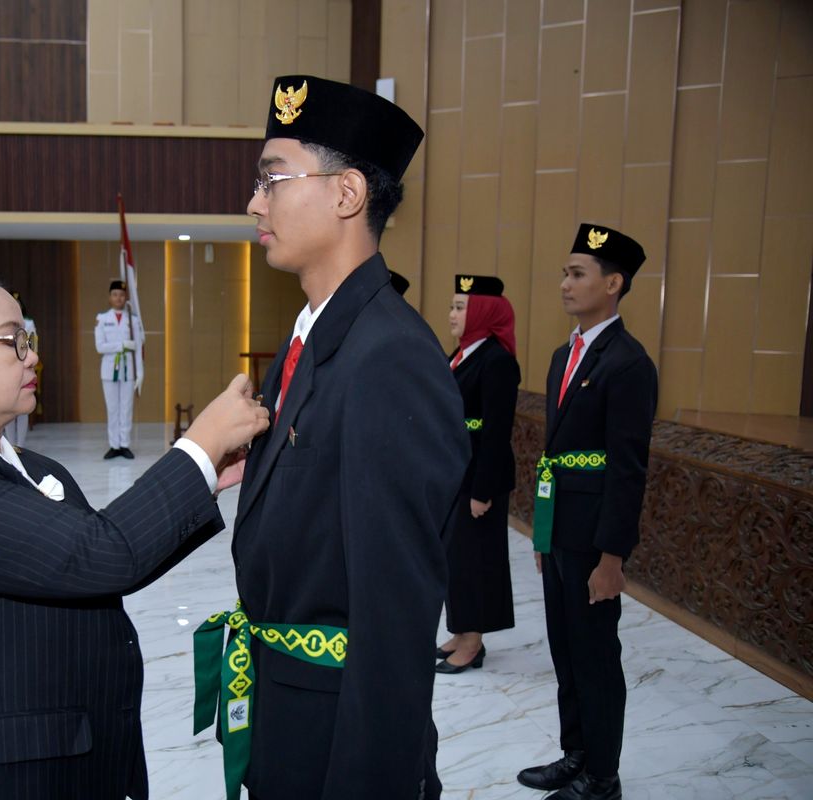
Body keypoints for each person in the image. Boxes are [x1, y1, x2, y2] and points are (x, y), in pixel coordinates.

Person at [0, 261, 268, 800]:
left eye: (27, 337)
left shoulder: (34, 466)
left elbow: (90, 567)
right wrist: (201, 445)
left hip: (76, 761)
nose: (32, 356)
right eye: (11, 341)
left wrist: (205, 479)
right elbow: (101, 554)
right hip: (2, 779)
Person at [195, 75, 469, 800]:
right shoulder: (318, 337)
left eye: (272, 180)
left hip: (340, 745)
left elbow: (393, 621)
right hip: (292, 718)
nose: (254, 202)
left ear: (347, 195)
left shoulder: (391, 359)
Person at [516, 225, 657, 800]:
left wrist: (612, 556)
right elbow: (559, 456)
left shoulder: (628, 363)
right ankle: (576, 754)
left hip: (595, 537)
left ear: (614, 283)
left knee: (596, 656)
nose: (565, 284)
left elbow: (627, 470)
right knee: (565, 649)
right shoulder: (562, 355)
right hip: (560, 530)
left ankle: (603, 776)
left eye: (578, 274)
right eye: (564, 273)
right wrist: (543, 535)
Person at [436, 274, 521, 674]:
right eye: (452, 306)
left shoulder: (497, 361)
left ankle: (473, 642)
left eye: (459, 307)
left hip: (478, 479)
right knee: (455, 557)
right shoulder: (462, 355)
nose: (451, 314)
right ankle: (461, 628)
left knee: (476, 560)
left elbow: (496, 431)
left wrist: (483, 489)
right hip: (457, 474)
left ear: (483, 313)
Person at [94, 280, 143, 459]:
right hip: (109, 371)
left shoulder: (133, 320)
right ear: (109, 297)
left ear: (125, 298)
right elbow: (100, 347)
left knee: (126, 408)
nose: (118, 298)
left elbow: (137, 348)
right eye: (115, 294)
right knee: (112, 408)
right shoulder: (102, 319)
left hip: (128, 370)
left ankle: (125, 444)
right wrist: (121, 345)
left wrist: (140, 372)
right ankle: (114, 445)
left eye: (122, 295)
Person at [1, 291, 38, 448]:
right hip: (8, 367)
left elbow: (33, 345)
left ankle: (20, 445)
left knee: (23, 407)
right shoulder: (2, 325)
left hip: (24, 365)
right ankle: (10, 445)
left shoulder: (28, 323)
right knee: (9, 405)